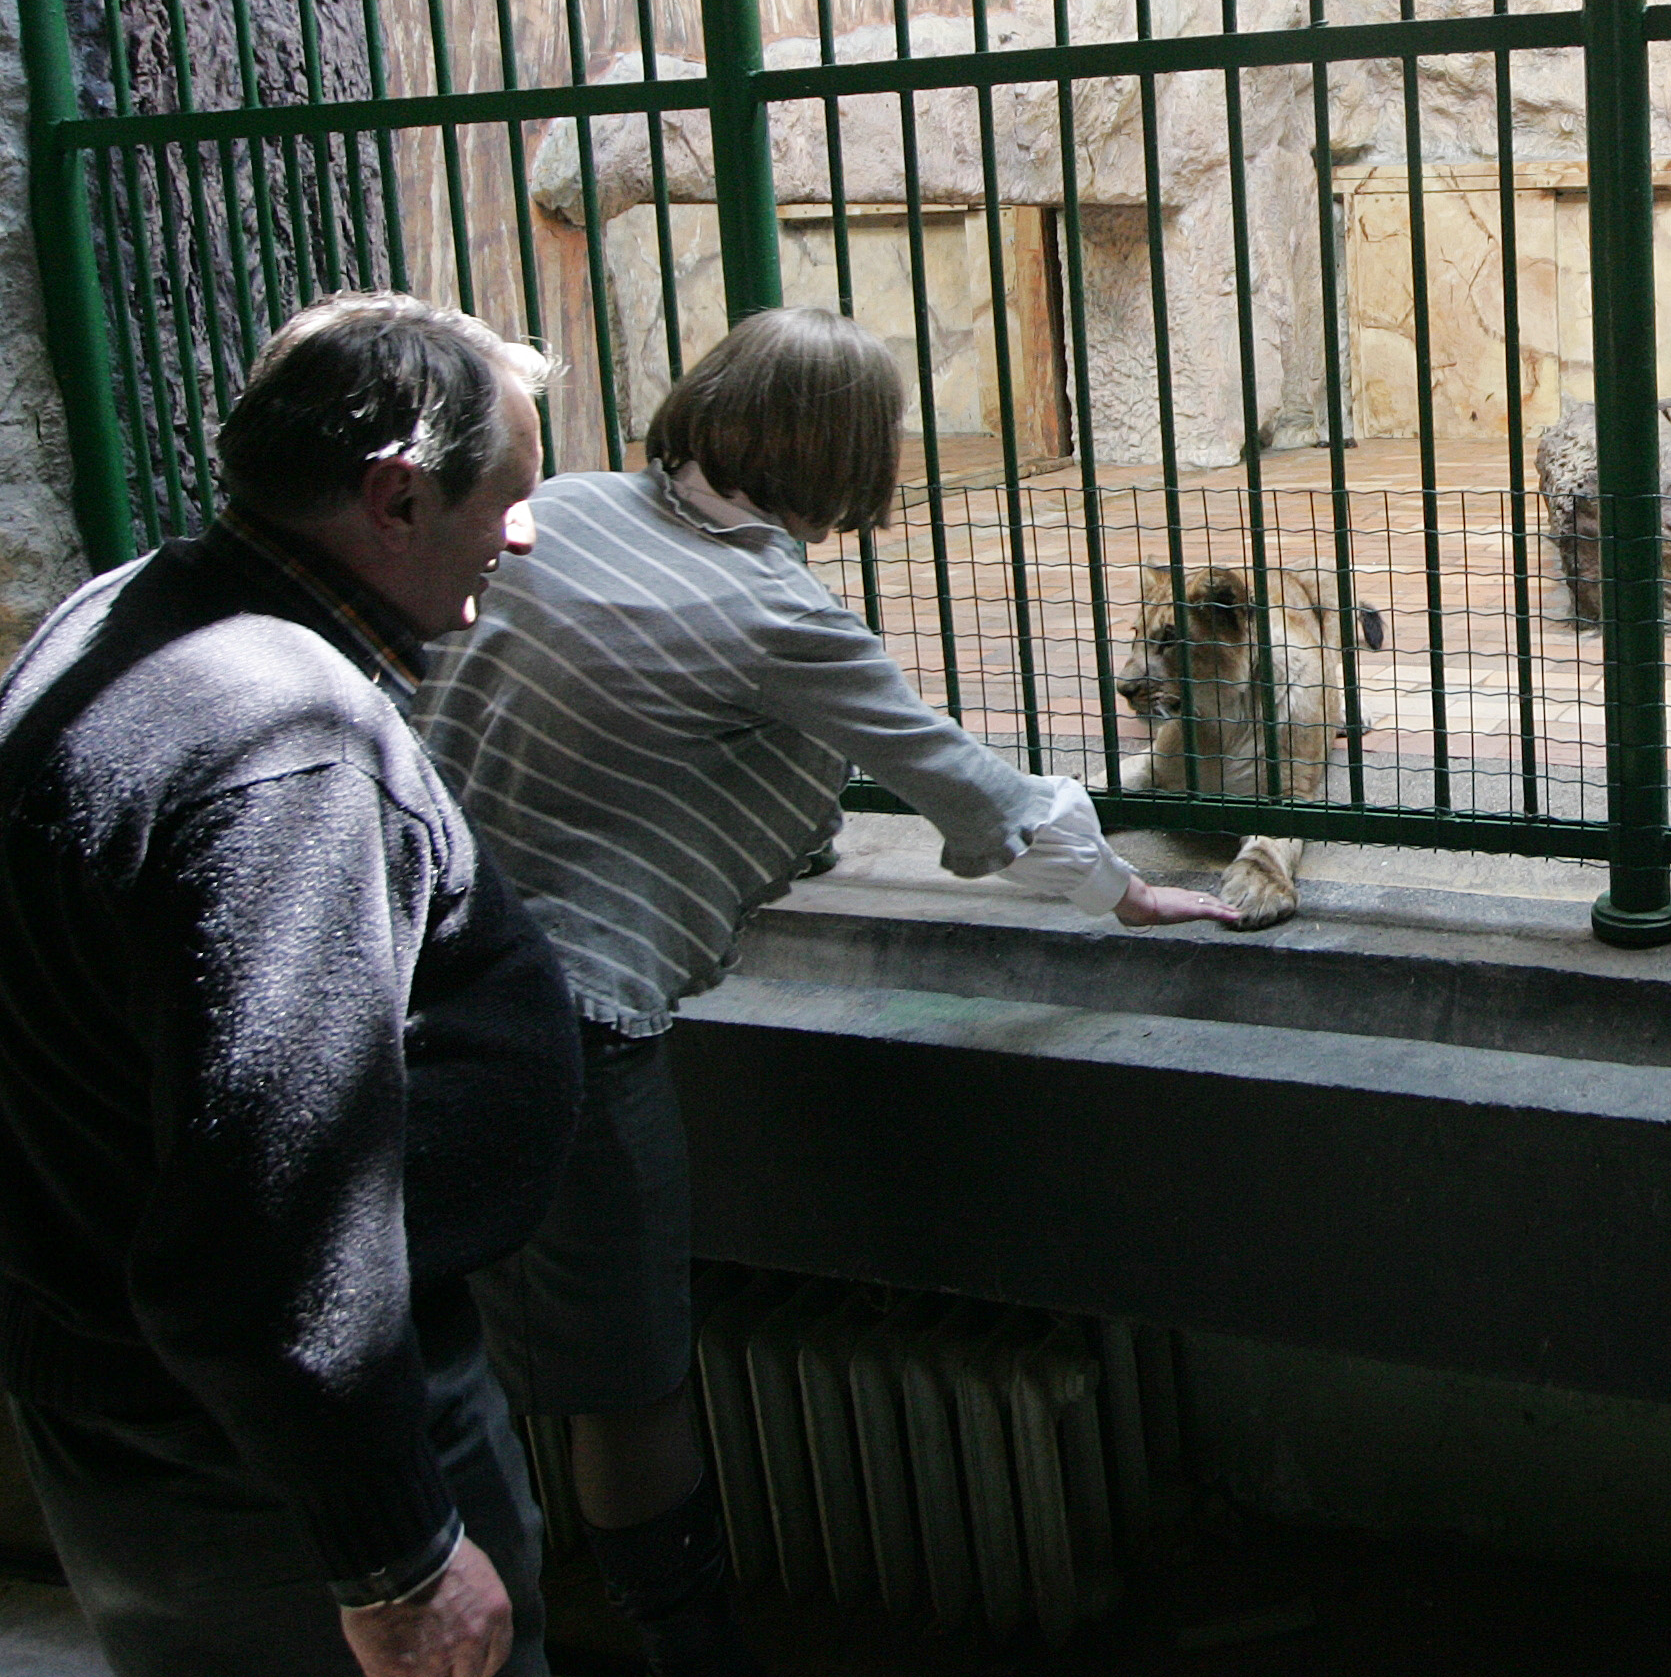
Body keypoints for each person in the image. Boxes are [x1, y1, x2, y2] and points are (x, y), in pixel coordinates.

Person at [414, 305, 1238, 1675]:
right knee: (627, 1382)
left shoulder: (549, 510)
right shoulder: (776, 614)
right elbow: (964, 783)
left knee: (453, 1351)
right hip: (571, 1017)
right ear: (852, 458)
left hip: (405, 968)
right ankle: (691, 1651)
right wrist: (1124, 888)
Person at [0, 293, 580, 1677]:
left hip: (146, 1404)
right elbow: (276, 1212)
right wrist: (397, 1557)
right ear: (393, 498)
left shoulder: (130, 611)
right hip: (267, 1461)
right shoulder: (286, 747)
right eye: (506, 494)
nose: (525, 532)